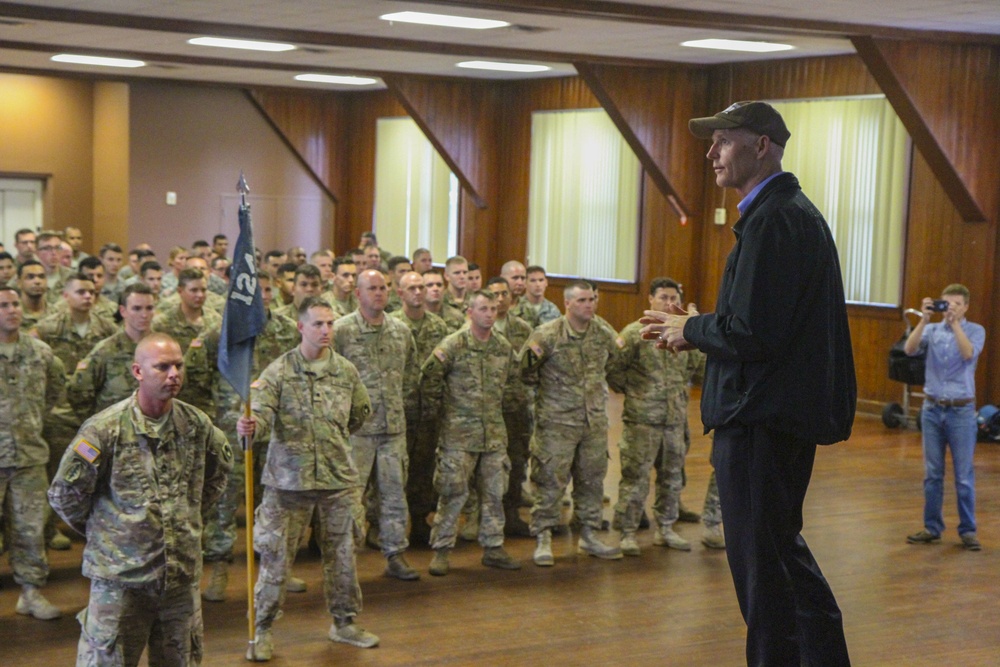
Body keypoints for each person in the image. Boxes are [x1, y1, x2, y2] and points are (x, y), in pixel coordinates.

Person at [647, 101, 856, 666]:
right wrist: (697, 329)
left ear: (761, 145)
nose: (711, 152)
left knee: (765, 581)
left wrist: (690, 326)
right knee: (782, 563)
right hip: (768, 418)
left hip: (762, 422)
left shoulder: (776, 220)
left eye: (723, 140)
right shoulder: (780, 214)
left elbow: (754, 332)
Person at [49, 333, 233, 666]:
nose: (174, 374)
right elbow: (65, 496)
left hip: (179, 577)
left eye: (178, 365)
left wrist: (184, 518)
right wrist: (110, 533)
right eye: (162, 367)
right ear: (137, 371)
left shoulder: (196, 425)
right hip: (121, 580)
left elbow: (218, 475)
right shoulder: (104, 430)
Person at [239, 297, 378, 659]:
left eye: (330, 323)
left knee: (344, 555)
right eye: (318, 324)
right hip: (289, 483)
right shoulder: (279, 371)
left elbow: (358, 414)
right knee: (276, 560)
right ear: (301, 327)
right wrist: (251, 427)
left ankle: (344, 623)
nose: (326, 330)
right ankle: (263, 629)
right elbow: (262, 415)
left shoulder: (345, 371)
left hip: (337, 480)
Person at [183, 271, 300, 601]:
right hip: (231, 431)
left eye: (266, 290)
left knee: (274, 500)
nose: (260, 296)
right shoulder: (218, 334)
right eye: (253, 290)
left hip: (275, 431)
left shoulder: (287, 332)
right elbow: (193, 382)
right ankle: (220, 566)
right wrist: (214, 418)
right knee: (225, 500)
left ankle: (276, 565)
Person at [421, 290, 522, 575]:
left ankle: (493, 547)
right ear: (470, 312)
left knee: (494, 493)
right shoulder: (453, 345)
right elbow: (429, 379)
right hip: (458, 436)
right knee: (452, 492)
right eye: (483, 308)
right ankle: (441, 549)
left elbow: (514, 385)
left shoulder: (503, 347)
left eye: (493, 308)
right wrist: (442, 415)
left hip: (492, 435)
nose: (489, 313)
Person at [522, 280, 622, 565]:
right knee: (550, 480)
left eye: (592, 299)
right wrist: (549, 401)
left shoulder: (602, 331)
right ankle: (543, 537)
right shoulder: (547, 335)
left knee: (591, 480)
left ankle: (589, 535)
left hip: (593, 422)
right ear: (567, 303)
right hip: (556, 424)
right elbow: (525, 371)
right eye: (582, 300)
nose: (589, 304)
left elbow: (617, 360)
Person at [333, 269, 420, 580]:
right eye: (372, 288)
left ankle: (395, 554)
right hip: (356, 432)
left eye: (383, 287)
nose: (379, 293)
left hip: (393, 429)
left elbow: (411, 375)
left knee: (395, 495)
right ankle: (344, 559)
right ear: (358, 294)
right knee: (349, 498)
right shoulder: (341, 331)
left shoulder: (401, 331)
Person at [607, 278, 703, 556]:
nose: (669, 303)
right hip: (642, 421)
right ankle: (627, 531)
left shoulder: (685, 335)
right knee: (635, 478)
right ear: (650, 299)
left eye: (674, 297)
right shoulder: (636, 332)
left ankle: (666, 528)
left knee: (671, 477)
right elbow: (614, 369)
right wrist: (636, 393)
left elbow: (696, 371)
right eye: (662, 297)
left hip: (674, 421)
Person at [0, 285, 65, 620]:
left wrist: (31, 419)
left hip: (29, 456)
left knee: (30, 529)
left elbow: (56, 387)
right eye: (3, 305)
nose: (12, 310)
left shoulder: (40, 352)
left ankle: (30, 593)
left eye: (15, 303)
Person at [904, 284, 985, 551]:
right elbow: (909, 349)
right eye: (946, 303)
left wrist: (956, 325)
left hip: (961, 411)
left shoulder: (975, 330)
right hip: (932, 409)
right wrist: (924, 320)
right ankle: (932, 527)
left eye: (955, 305)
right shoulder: (931, 330)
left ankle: (968, 531)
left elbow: (968, 353)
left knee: (963, 474)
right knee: (933, 473)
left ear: (965, 307)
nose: (949, 309)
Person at [389, 271, 450, 545]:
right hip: (398, 413)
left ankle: (419, 523)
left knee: (423, 471)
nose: (418, 292)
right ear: (399, 293)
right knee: (392, 473)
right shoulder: (391, 326)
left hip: (428, 413)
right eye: (411, 288)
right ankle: (384, 527)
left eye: (421, 287)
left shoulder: (439, 328)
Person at [486, 276, 533, 537]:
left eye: (505, 294)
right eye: (495, 295)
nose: (501, 299)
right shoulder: (479, 327)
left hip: (515, 407)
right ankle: (484, 515)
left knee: (517, 461)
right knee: (487, 465)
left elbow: (530, 366)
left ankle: (512, 513)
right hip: (489, 409)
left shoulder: (522, 329)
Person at [69, 284, 156, 420]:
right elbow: (78, 390)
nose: (144, 315)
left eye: (149, 308)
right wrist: (98, 423)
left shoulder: (162, 349)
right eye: (137, 309)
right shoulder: (106, 350)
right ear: (123, 311)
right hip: (114, 431)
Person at [151, 268, 222, 354]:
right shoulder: (162, 324)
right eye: (194, 290)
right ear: (180, 291)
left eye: (203, 290)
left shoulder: (216, 322)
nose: (200, 295)